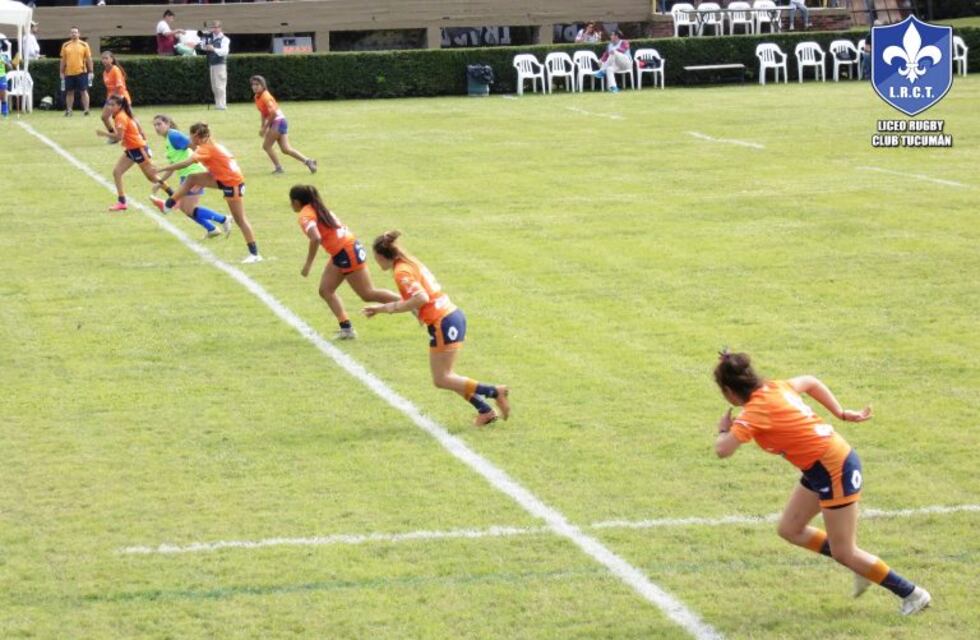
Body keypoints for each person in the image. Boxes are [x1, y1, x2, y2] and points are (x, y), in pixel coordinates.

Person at [711, 351, 932, 616]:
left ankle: (913, 593)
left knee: (844, 551)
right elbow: (810, 381)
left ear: (729, 391)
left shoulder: (755, 411)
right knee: (790, 529)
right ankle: (859, 564)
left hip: (833, 468)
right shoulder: (776, 387)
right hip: (822, 466)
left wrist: (724, 429)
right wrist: (839, 412)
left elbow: (723, 450)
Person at [363, 231, 511, 426]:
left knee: (442, 379)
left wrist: (386, 309)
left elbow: (421, 297)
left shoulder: (401, 272)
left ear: (382, 256)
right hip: (452, 316)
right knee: (449, 376)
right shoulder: (409, 262)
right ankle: (485, 410)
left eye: (375, 258)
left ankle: (494, 392)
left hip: (443, 322)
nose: (376, 263)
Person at [288, 185, 400, 340]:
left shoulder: (305, 214)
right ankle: (346, 328)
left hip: (346, 252)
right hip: (344, 250)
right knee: (325, 290)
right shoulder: (318, 207)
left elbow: (316, 238)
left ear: (296, 202)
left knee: (367, 293)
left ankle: (410, 303)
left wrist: (308, 264)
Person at [152, 122, 263, 264]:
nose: (189, 140)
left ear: (197, 136)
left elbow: (187, 163)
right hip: (223, 178)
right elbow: (217, 164)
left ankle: (255, 254)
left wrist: (161, 169)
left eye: (191, 137)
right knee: (192, 178)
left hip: (232, 183)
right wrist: (201, 182)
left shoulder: (205, 148)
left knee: (240, 220)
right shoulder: (210, 143)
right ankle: (168, 205)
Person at [150, 115, 230, 240]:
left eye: (159, 124)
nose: (156, 128)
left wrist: (207, 170)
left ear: (168, 123)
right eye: (155, 125)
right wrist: (161, 182)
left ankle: (223, 219)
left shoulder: (173, 136)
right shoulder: (169, 139)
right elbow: (174, 165)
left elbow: (196, 147)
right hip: (187, 176)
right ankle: (212, 228)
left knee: (188, 208)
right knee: (186, 209)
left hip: (194, 174)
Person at [95, 96, 169, 212]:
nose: (110, 107)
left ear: (119, 106)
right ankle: (122, 202)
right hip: (131, 149)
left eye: (112, 105)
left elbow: (119, 137)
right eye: (109, 105)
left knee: (152, 177)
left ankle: (174, 196)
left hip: (138, 149)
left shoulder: (120, 117)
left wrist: (104, 134)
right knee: (117, 172)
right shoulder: (120, 114)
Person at [250, 75, 317, 175]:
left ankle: (279, 168)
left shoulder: (266, 97)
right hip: (280, 121)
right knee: (286, 149)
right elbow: (263, 112)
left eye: (257, 84)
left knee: (266, 146)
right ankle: (308, 161)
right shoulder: (257, 97)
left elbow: (274, 113)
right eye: (253, 85)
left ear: (263, 86)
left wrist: (265, 128)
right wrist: (263, 126)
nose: (255, 87)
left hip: (278, 121)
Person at [59, 26, 93, 117]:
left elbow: (89, 59)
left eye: (75, 32)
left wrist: (91, 71)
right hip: (68, 73)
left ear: (79, 34)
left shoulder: (84, 45)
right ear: (70, 34)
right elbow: (63, 60)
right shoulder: (65, 45)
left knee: (84, 91)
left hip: (81, 72)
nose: (74, 34)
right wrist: (61, 72)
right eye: (72, 32)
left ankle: (86, 110)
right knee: (69, 92)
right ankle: (69, 110)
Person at [99, 51, 131, 135]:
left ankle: (139, 134)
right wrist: (109, 100)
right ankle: (113, 134)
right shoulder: (105, 72)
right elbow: (109, 88)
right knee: (104, 117)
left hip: (121, 97)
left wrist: (115, 101)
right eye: (102, 58)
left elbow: (119, 87)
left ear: (112, 59)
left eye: (106, 58)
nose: (104, 60)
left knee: (127, 118)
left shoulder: (115, 70)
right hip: (111, 98)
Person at [201, 21, 229, 110]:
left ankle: (222, 105)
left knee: (220, 85)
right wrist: (205, 43)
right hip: (212, 64)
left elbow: (224, 52)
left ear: (220, 28)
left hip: (220, 64)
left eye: (216, 27)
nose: (214, 29)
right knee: (214, 86)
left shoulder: (224, 39)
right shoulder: (210, 38)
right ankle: (218, 104)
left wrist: (213, 49)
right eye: (213, 27)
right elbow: (202, 47)